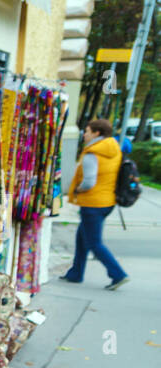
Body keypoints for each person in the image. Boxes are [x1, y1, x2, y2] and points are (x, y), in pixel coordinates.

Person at [63, 118, 129, 289]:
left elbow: (89, 181)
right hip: (107, 201)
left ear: (96, 133)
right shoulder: (114, 149)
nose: (84, 134)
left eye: (87, 131)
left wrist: (77, 189)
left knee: (94, 242)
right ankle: (76, 273)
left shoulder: (93, 153)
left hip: (93, 202)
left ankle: (118, 274)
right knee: (82, 236)